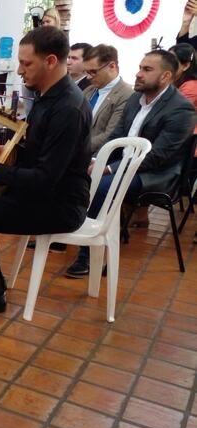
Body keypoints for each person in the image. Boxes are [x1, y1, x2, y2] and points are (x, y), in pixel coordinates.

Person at [0, 26, 92, 318]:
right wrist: (3, 154)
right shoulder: (47, 96)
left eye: (27, 63)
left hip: (60, 205)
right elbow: (39, 155)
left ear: (51, 61)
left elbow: (44, 179)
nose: (19, 70)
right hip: (43, 194)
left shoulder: (67, 108)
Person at [65, 50, 196, 278]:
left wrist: (110, 168)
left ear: (165, 76)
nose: (138, 74)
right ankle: (67, 229)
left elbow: (156, 157)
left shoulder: (181, 110)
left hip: (155, 175)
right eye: (139, 67)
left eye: (147, 70)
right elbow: (117, 135)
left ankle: (88, 255)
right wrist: (98, 159)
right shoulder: (136, 98)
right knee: (76, 171)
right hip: (124, 164)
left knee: (104, 185)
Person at [83, 44, 135, 154]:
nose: (88, 77)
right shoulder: (88, 90)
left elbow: (110, 134)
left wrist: (75, 148)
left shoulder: (126, 94)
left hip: (97, 156)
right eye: (86, 72)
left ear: (112, 66)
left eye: (93, 72)